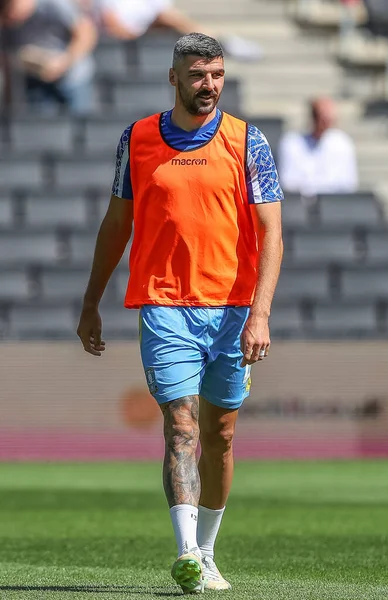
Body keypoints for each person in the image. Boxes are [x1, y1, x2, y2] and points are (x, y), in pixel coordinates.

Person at [77, 33, 283, 594]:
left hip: (234, 310)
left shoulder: (248, 141)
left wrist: (261, 313)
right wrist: (91, 300)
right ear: (174, 78)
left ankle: (209, 550)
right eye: (198, 75)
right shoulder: (138, 138)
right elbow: (116, 224)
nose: (209, 85)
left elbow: (271, 232)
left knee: (220, 432)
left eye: (216, 74)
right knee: (182, 424)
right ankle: (187, 552)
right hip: (164, 303)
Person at [81, 0, 264, 62]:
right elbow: (113, 25)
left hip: (146, 31)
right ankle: (222, 43)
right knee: (170, 20)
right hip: (122, 37)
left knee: (170, 20)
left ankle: (220, 43)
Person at [0, 0, 97, 115]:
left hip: (72, 79)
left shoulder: (54, 4)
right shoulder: (8, 20)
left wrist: (64, 62)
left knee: (78, 126)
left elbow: (86, 33)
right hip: (36, 81)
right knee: (44, 130)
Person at [278, 97, 358, 197]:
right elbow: (288, 182)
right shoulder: (291, 143)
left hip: (333, 205)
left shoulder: (343, 143)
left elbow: (348, 183)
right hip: (302, 206)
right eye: (321, 118)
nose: (325, 123)